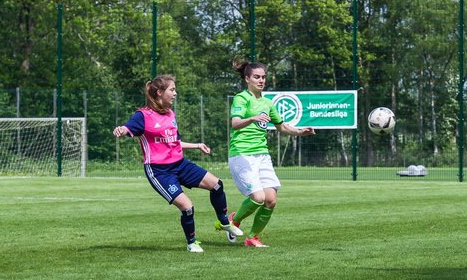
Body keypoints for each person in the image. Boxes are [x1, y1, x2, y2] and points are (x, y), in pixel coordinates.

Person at [113, 75, 242, 252]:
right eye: (172, 89)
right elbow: (127, 129)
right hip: (160, 171)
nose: (175, 93)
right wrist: (121, 130)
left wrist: (197, 145)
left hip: (180, 164)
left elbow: (173, 142)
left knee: (217, 185)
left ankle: (224, 223)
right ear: (159, 92)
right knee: (187, 207)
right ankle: (192, 243)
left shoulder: (170, 114)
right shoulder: (142, 116)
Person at [226, 60, 317, 248]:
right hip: (242, 154)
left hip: (262, 155)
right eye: (257, 77)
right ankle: (234, 220)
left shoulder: (267, 103)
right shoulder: (241, 98)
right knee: (258, 198)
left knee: (270, 199)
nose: (261, 80)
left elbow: (282, 126)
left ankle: (252, 238)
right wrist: (252, 118)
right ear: (247, 79)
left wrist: (300, 132)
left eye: (263, 77)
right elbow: (235, 123)